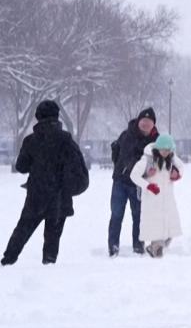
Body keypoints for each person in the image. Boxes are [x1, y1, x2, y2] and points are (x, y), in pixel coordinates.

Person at [2, 101, 89, 266]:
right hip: (60, 197)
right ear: (57, 117)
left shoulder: (30, 141)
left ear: (37, 117)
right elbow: (78, 169)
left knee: (22, 230)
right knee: (52, 237)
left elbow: (21, 167)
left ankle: (8, 260)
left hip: (36, 195)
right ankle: (48, 266)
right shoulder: (67, 141)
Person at [109, 108, 159, 257]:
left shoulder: (156, 140)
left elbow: (164, 157)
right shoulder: (127, 135)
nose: (145, 126)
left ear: (153, 125)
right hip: (121, 181)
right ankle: (113, 247)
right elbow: (125, 157)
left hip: (139, 184)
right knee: (117, 214)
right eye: (143, 122)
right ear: (138, 122)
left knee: (138, 216)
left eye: (148, 124)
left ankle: (138, 246)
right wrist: (141, 171)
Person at [129, 133, 183, 258]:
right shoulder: (147, 160)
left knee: (171, 230)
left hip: (167, 200)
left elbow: (181, 167)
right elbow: (134, 175)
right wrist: (148, 185)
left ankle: (154, 249)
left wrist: (177, 174)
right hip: (153, 200)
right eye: (164, 149)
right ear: (158, 148)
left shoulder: (172, 158)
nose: (166, 152)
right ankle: (155, 252)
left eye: (169, 150)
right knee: (156, 229)